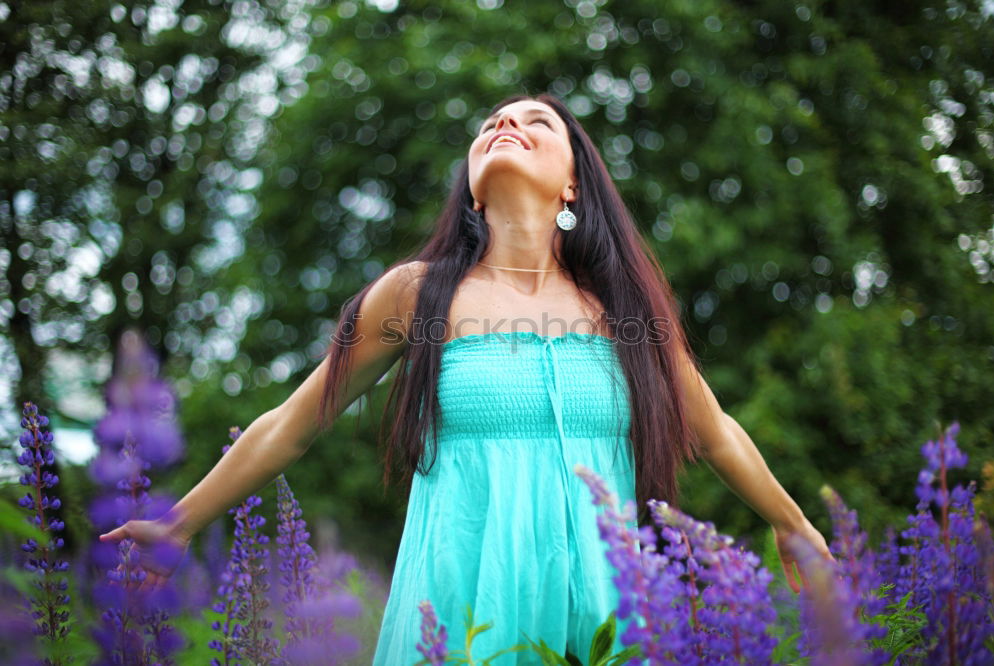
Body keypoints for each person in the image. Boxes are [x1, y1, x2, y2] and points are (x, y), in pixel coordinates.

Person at [99, 93, 835, 664]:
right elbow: (291, 425)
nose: (506, 125)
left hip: (607, 607)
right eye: (490, 124)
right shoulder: (416, 295)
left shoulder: (626, 312)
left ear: (574, 183)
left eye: (534, 121)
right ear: (473, 192)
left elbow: (716, 431)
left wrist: (793, 524)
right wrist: (177, 522)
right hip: (461, 607)